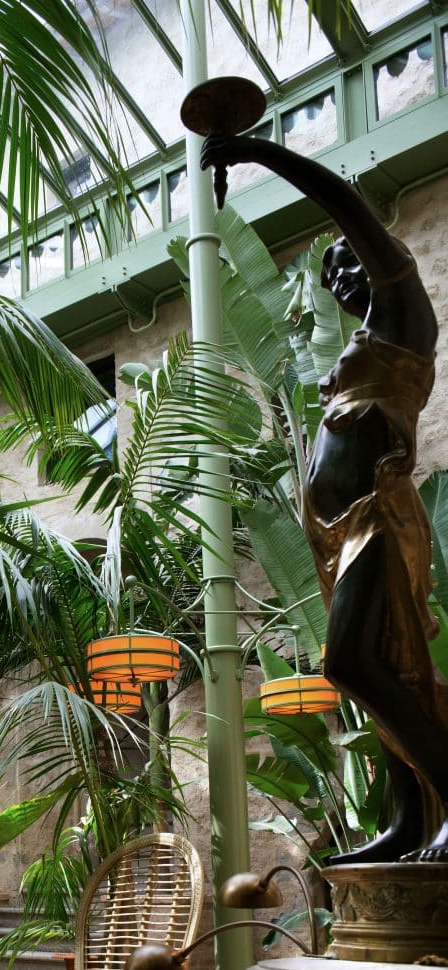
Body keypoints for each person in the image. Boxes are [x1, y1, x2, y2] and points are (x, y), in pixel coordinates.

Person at [201, 131, 448, 862]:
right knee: (387, 671)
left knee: (351, 662)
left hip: (378, 515)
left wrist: (257, 153)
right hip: (335, 531)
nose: (341, 273)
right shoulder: (357, 348)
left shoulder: (407, 317)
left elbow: (346, 208)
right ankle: (408, 819)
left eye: (349, 262)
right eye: (332, 272)